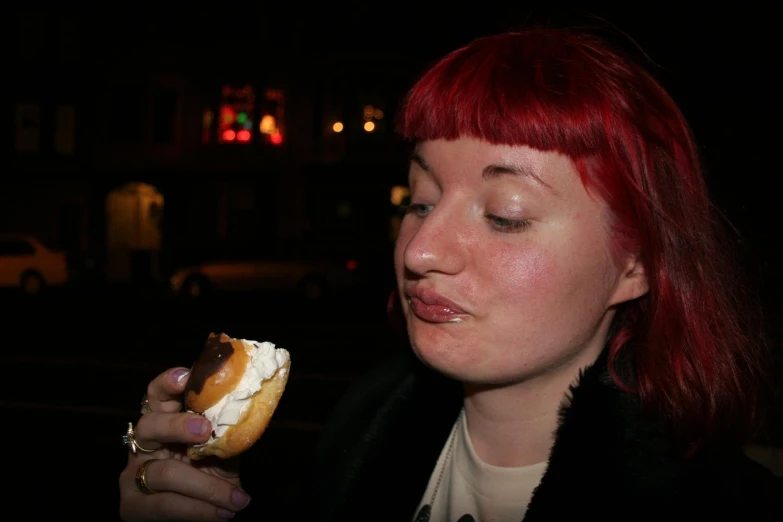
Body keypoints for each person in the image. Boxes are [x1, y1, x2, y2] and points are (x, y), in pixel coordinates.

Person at [118, 28, 782, 521]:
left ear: (635, 262)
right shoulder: (354, 438)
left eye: (505, 214)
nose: (419, 250)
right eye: (420, 201)